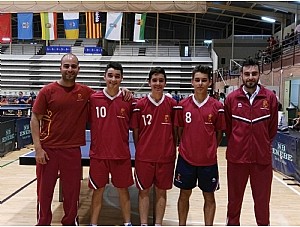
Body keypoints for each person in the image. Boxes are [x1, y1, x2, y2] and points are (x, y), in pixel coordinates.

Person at [30, 53, 132, 225]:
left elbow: (108, 94)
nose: (70, 69)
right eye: (67, 66)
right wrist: (38, 148)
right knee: (44, 192)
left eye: (73, 66)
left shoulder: (86, 93)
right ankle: (43, 222)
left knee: (72, 192)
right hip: (48, 150)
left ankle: (70, 222)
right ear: (60, 68)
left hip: (72, 150)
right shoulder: (47, 91)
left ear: (78, 69)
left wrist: (124, 90)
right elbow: (35, 118)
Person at [224, 58, 278, 225]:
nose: (250, 77)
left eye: (254, 74)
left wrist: (260, 145)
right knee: (234, 202)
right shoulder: (231, 99)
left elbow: (272, 129)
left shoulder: (270, 98)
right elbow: (228, 128)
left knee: (262, 204)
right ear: (241, 75)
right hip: (236, 159)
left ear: (259, 75)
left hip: (261, 160)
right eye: (247, 74)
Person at [173, 65, 226, 226]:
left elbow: (218, 134)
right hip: (186, 159)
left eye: (204, 80)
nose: (200, 83)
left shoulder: (217, 107)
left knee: (209, 196)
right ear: (192, 82)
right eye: (197, 80)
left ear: (210, 82)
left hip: (208, 162)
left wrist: (209, 149)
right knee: (184, 194)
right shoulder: (182, 105)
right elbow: (179, 130)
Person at [88, 62, 136, 226]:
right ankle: (93, 224)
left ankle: (127, 223)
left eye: (117, 76)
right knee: (97, 190)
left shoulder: (128, 100)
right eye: (110, 75)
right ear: (104, 77)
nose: (113, 79)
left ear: (122, 79)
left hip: (121, 154)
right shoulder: (94, 99)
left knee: (123, 191)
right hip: (99, 155)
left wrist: (128, 91)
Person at [131, 67, 177, 226]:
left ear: (165, 83)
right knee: (143, 191)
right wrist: (142, 148)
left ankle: (158, 224)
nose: (158, 84)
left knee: (161, 191)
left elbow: (176, 131)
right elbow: (136, 132)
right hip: (144, 157)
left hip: (166, 157)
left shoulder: (172, 104)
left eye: (161, 80)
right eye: (154, 80)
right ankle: (144, 224)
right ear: (149, 82)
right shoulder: (140, 105)